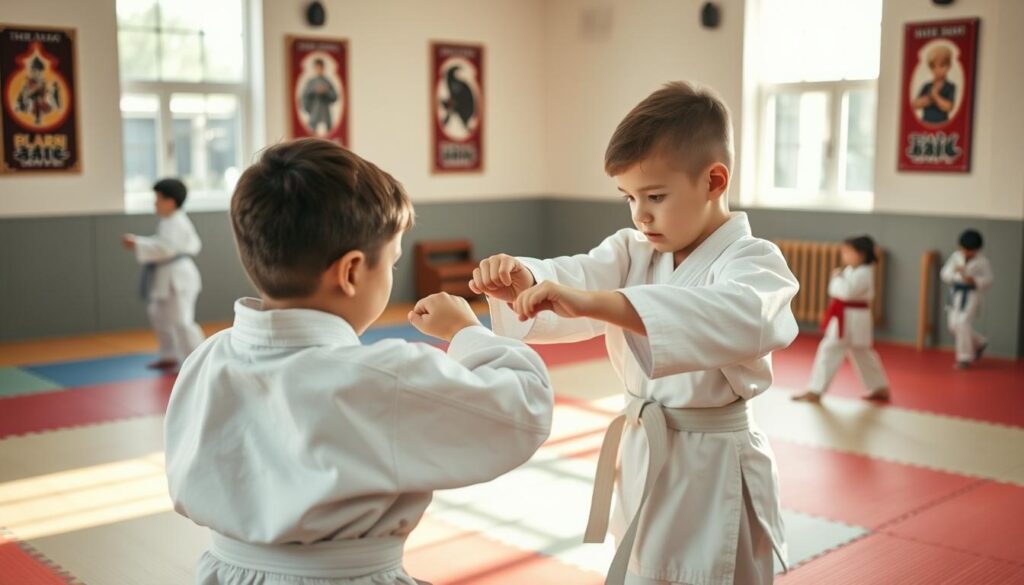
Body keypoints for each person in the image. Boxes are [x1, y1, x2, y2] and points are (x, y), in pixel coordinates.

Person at [163, 138, 554, 585]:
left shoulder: (208, 357)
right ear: (350, 272)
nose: (391, 275)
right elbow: (525, 407)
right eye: (391, 263)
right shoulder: (383, 377)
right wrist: (466, 332)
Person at [469, 81, 798, 585]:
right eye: (628, 198)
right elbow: (578, 276)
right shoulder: (634, 248)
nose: (640, 215)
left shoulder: (756, 263)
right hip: (647, 449)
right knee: (645, 566)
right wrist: (528, 280)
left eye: (655, 196)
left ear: (714, 181)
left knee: (711, 572)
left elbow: (734, 315)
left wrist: (601, 303)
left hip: (714, 468)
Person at [792, 236, 891, 403]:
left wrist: (837, 278)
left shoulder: (864, 273)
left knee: (831, 349)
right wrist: (838, 279)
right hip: (847, 316)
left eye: (847, 252)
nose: (844, 256)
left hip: (852, 317)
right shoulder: (851, 270)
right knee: (861, 352)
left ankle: (816, 390)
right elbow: (836, 291)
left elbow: (845, 292)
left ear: (860, 254)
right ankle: (879, 386)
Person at [121, 178, 204, 370]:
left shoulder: (177, 221)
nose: (155, 203)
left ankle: (199, 360)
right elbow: (162, 244)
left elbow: (166, 248)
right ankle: (169, 355)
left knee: (182, 321)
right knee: (158, 314)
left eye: (158, 199)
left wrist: (138, 243)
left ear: (170, 202)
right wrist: (140, 243)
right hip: (166, 275)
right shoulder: (168, 221)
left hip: (179, 277)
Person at [940, 228, 993, 369]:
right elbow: (944, 273)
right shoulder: (955, 257)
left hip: (971, 296)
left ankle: (964, 359)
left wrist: (974, 280)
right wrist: (956, 275)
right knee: (953, 326)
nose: (967, 253)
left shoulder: (983, 262)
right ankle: (979, 342)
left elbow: (988, 280)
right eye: (965, 249)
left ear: (977, 250)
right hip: (956, 294)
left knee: (962, 324)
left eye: (971, 250)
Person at [912, 44, 956, 124]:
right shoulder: (927, 86)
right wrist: (929, 98)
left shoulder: (950, 87)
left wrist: (936, 96)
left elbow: (949, 106)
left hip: (942, 123)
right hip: (925, 122)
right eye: (934, 67)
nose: (937, 70)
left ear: (948, 66)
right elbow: (915, 104)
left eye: (941, 66)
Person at [302, 57, 338, 134]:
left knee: (328, 134)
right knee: (312, 134)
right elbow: (305, 97)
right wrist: (314, 91)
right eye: (317, 68)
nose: (319, 70)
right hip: (314, 113)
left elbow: (334, 96)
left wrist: (326, 91)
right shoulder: (311, 82)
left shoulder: (327, 82)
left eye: (320, 68)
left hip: (325, 113)